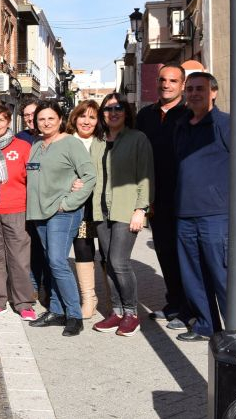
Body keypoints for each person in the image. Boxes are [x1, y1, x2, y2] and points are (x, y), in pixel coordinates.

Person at [26, 100, 97, 337]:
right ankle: (56, 311)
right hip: (39, 214)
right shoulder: (37, 144)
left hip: (62, 213)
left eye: (51, 118)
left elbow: (89, 176)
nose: (46, 123)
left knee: (57, 261)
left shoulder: (71, 143)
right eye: (41, 119)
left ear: (60, 120)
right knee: (51, 262)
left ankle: (74, 315)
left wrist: (68, 203)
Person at [89, 93, 154, 337]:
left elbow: (146, 176)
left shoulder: (138, 139)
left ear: (126, 112)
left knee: (119, 261)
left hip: (126, 209)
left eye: (118, 108)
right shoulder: (98, 141)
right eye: (108, 109)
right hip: (101, 210)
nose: (113, 113)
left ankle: (131, 314)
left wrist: (141, 209)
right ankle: (116, 312)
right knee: (108, 262)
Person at [173, 72, 229, 342]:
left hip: (216, 215)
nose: (194, 93)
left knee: (223, 275)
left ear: (213, 93)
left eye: (201, 89)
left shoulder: (225, 124)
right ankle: (207, 326)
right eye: (191, 89)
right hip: (185, 214)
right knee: (193, 276)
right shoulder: (181, 125)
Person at [136, 63, 191, 329]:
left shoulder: (190, 114)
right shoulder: (145, 115)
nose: (166, 85)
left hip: (185, 199)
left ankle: (190, 310)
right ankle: (174, 304)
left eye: (172, 80)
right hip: (156, 198)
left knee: (186, 257)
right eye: (162, 80)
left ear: (182, 85)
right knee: (165, 253)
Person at [0, 104, 36, 320]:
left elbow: (33, 180)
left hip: (17, 210)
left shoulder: (22, 147)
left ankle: (24, 303)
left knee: (19, 259)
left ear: (9, 122)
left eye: (2, 119)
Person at [67, 100, 107, 319]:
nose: (87, 121)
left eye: (92, 117)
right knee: (83, 249)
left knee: (108, 252)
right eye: (83, 116)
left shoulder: (104, 141)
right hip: (79, 207)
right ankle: (89, 299)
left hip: (102, 206)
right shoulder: (65, 141)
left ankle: (115, 301)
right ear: (75, 118)